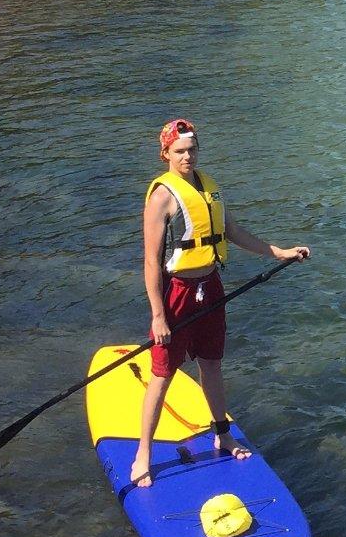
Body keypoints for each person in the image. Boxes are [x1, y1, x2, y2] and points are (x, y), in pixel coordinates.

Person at [130, 118, 309, 489]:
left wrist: (279, 252)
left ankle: (223, 434)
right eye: (179, 151)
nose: (187, 157)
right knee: (162, 376)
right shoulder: (162, 196)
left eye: (192, 149)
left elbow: (232, 232)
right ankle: (143, 453)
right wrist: (158, 316)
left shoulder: (209, 188)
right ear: (165, 153)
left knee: (212, 365)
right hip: (176, 294)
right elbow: (150, 261)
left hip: (209, 287)